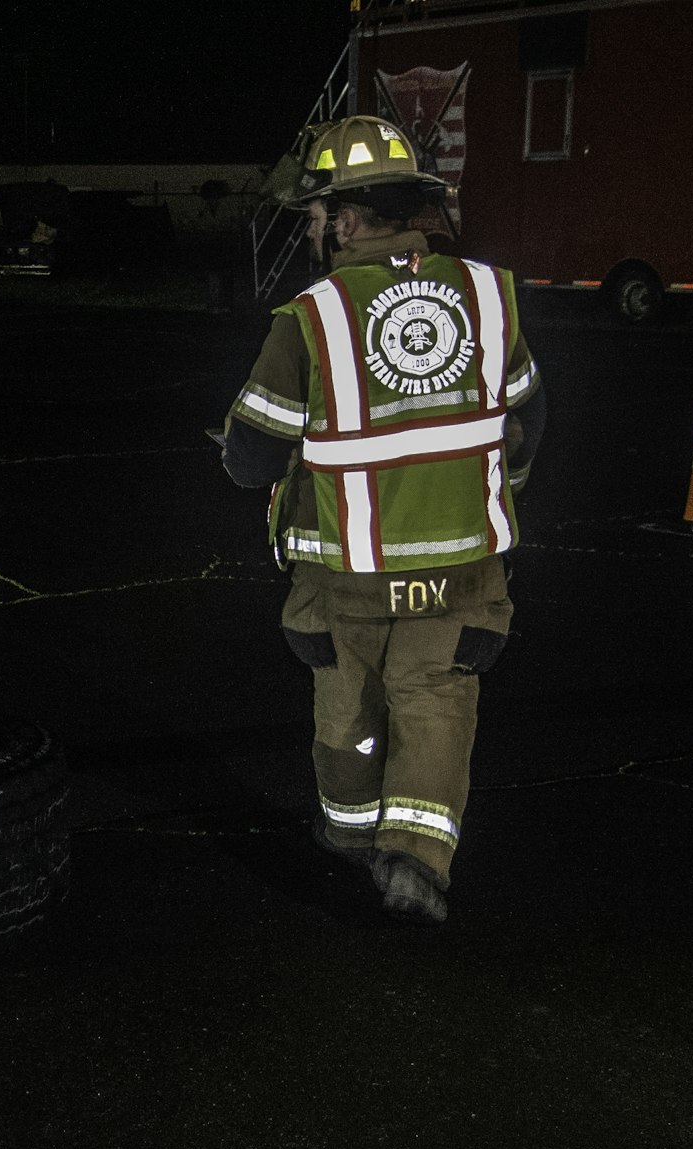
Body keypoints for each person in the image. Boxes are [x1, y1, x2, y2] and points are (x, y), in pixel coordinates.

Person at [219, 116, 545, 924]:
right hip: (466, 570)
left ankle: (349, 839)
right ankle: (417, 862)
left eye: (318, 216)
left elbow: (252, 456)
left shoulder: (314, 316)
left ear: (350, 218)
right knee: (436, 704)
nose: (313, 229)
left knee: (347, 706)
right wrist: (487, 499)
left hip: (348, 576)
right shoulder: (487, 293)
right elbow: (527, 421)